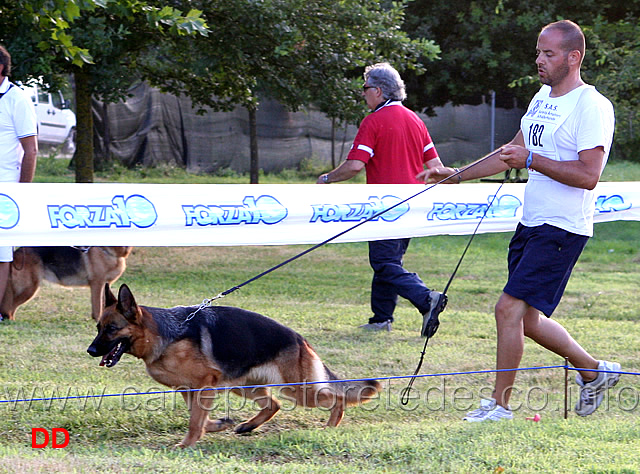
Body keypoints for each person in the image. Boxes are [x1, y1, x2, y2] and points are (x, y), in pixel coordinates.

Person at [418, 20, 619, 421]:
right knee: (526, 320)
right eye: (538, 53)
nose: (539, 61)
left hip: (562, 227)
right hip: (532, 221)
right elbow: (512, 151)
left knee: (507, 309)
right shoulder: (542, 97)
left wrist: (532, 161)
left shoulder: (591, 106)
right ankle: (595, 371)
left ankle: (499, 406)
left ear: (573, 57)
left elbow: (588, 175)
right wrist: (455, 173)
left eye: (548, 54)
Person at [317, 62, 448, 333]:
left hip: (386, 204)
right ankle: (381, 319)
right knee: (389, 262)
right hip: (414, 203)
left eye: (365, 88)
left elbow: (354, 166)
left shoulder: (374, 120)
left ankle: (426, 299)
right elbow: (436, 167)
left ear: (378, 91)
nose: (363, 94)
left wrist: (327, 179)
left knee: (384, 263)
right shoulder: (415, 119)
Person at [0, 45, 38, 321]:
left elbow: (31, 150)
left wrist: (22, 194)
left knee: (1, 254)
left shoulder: (17, 99)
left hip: (5, 188)